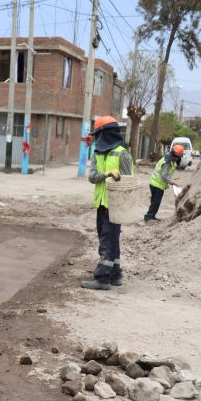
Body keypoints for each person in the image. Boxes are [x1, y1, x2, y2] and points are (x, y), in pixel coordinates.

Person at [81, 116, 134, 291]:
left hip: (116, 204)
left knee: (107, 240)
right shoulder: (97, 153)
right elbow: (92, 177)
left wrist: (125, 202)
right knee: (111, 239)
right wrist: (107, 174)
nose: (97, 139)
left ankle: (103, 278)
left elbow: (129, 182)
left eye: (99, 135)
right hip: (102, 205)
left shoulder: (122, 153)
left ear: (106, 134)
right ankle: (116, 275)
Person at [144, 144, 184, 222]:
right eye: (176, 156)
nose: (176, 158)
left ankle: (151, 216)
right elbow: (164, 175)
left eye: (178, 157)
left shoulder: (168, 159)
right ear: (172, 154)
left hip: (154, 182)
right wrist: (172, 182)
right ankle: (149, 217)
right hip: (157, 184)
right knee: (156, 201)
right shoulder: (168, 162)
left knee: (154, 201)